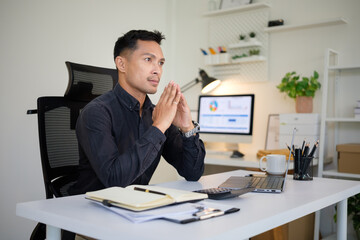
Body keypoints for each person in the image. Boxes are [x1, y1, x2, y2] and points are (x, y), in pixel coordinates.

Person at [69, 30, 205, 195]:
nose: (157, 70)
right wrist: (159, 126)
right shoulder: (96, 112)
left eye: (161, 63)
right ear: (122, 64)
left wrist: (187, 128)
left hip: (135, 207)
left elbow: (193, 173)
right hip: (91, 210)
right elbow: (115, 180)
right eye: (148, 60)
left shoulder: (156, 113)